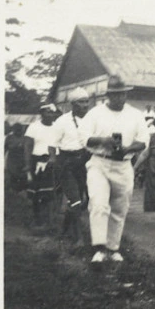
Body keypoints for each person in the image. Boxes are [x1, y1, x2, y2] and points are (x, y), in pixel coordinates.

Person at [79, 75, 149, 263]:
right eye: (115, 94)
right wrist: (103, 141)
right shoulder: (95, 113)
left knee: (120, 207)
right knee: (99, 204)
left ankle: (113, 248)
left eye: (122, 94)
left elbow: (143, 141)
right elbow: (83, 137)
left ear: (126, 94)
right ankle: (99, 249)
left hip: (123, 164)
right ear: (108, 95)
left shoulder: (135, 114)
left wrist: (128, 148)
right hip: (99, 162)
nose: (119, 98)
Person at [49, 87, 92, 242]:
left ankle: (62, 233)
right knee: (75, 200)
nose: (85, 105)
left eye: (87, 101)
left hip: (85, 162)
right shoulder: (62, 121)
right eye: (81, 102)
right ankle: (79, 238)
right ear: (73, 104)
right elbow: (52, 144)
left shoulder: (92, 119)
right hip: (66, 163)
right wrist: (53, 159)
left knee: (79, 200)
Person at [24, 103, 60, 230]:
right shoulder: (34, 127)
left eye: (52, 112)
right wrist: (28, 166)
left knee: (51, 193)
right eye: (47, 112)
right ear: (42, 113)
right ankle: (37, 220)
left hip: (52, 162)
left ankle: (49, 222)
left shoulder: (57, 127)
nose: (50, 115)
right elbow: (28, 147)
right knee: (37, 193)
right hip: (37, 162)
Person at [5, 123, 27, 192]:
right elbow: (5, 148)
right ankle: (13, 190)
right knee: (12, 175)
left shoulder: (25, 138)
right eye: (16, 130)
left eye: (19, 130)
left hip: (22, 159)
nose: (18, 131)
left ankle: (22, 190)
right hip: (12, 160)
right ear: (13, 130)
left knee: (22, 176)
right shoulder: (9, 138)